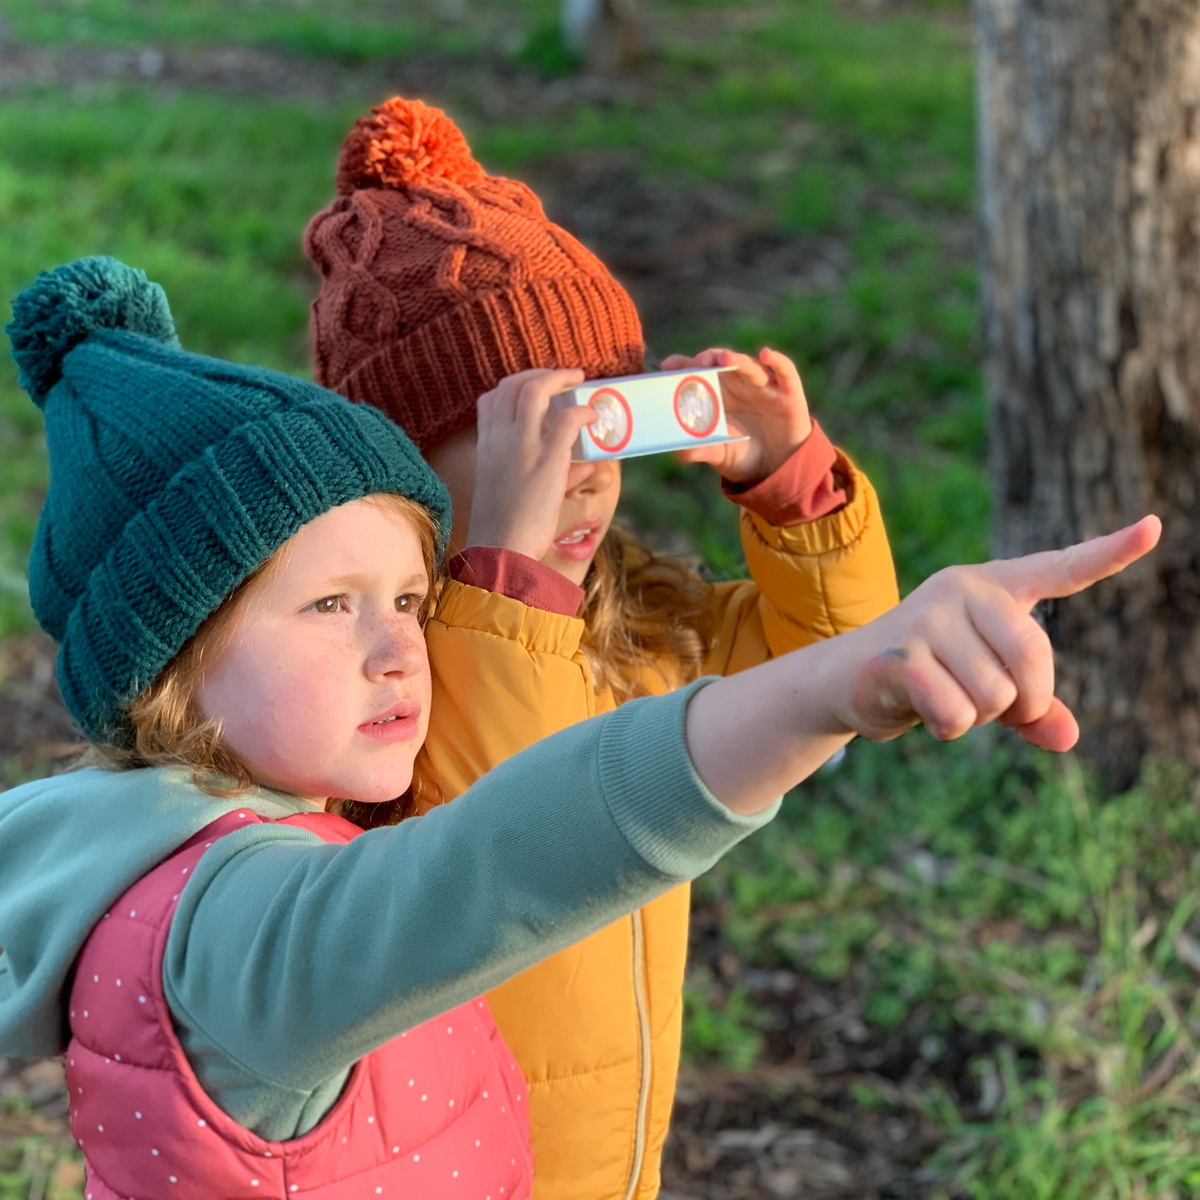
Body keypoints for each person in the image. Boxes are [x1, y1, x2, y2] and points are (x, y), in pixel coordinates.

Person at [0, 258, 1158, 1200]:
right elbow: (514, 848)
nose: (400, 647)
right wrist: (828, 689)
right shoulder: (236, 941)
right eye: (329, 607)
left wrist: (806, 519)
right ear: (173, 670)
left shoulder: (214, 835)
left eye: (407, 599)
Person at [303, 96, 901, 1199]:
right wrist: (507, 583)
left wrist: (795, 488)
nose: (580, 473)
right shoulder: (367, 667)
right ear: (402, 463)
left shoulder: (637, 627)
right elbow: (506, 826)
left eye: (602, 420)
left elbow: (843, 672)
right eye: (533, 433)